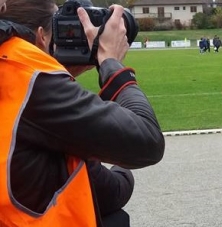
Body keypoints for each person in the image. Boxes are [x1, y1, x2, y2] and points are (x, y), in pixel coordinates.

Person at [0, 0, 165, 226]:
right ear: (41, 37)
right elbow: (146, 141)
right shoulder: (28, 81)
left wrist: (58, 75)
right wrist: (110, 62)